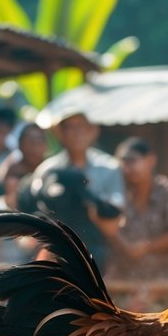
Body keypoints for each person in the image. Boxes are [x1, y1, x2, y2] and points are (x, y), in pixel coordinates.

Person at [33, 108, 124, 268]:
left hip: (101, 249)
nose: (76, 133)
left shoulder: (109, 168)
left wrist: (92, 205)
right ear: (59, 133)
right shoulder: (46, 171)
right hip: (57, 248)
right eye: (70, 127)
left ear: (92, 131)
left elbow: (116, 213)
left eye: (81, 127)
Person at [107, 137, 168, 306]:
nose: (128, 167)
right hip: (124, 284)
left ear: (150, 160)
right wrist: (125, 245)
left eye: (133, 160)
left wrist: (146, 247)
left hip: (164, 284)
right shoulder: (116, 195)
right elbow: (109, 229)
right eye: (123, 162)